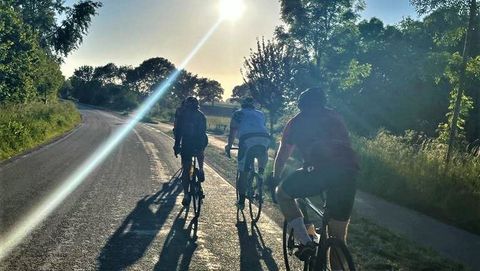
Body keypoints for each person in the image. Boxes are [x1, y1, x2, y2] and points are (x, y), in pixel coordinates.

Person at [271, 87, 358, 261]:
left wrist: (275, 177)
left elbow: (283, 154)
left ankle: (305, 241)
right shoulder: (336, 117)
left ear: (300, 105)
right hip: (348, 172)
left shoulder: (296, 122)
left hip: (318, 171)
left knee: (282, 193)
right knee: (337, 238)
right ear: (323, 102)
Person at [225, 97, 270, 210]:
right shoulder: (260, 114)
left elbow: (233, 132)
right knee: (262, 153)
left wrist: (229, 146)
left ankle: (241, 201)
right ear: (253, 106)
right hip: (265, 138)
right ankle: (260, 174)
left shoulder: (238, 113)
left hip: (247, 140)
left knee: (243, 173)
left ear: (243, 105)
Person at [173, 96, 208, 207]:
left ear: (186, 106)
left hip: (187, 143)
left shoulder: (182, 115)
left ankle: (186, 195)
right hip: (200, 142)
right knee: (200, 151)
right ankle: (201, 169)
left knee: (186, 169)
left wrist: (177, 145)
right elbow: (203, 133)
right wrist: (200, 146)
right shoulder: (201, 115)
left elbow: (178, 131)